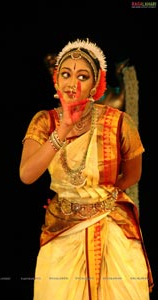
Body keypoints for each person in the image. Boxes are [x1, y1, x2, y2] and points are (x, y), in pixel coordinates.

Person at [19, 38, 154, 300]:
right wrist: (63, 129)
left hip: (112, 227)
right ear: (56, 80)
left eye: (83, 76)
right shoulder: (44, 121)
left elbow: (134, 174)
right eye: (66, 74)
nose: (73, 83)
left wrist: (103, 199)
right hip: (62, 228)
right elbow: (27, 175)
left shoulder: (119, 122)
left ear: (95, 86)